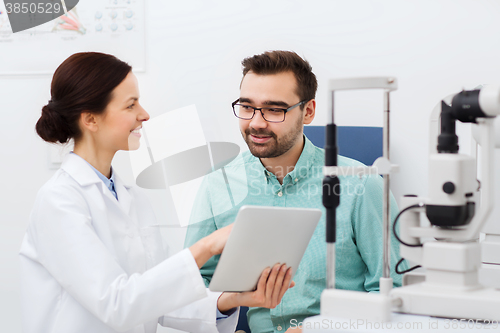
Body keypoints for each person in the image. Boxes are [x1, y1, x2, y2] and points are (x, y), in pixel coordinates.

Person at [19, 52, 295, 333]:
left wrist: (231, 300)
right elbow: (117, 304)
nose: (144, 114)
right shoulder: (59, 201)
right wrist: (208, 246)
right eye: (130, 105)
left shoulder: (132, 198)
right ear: (91, 119)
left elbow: (161, 298)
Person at [184, 50, 405, 333]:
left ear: (308, 111)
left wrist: (324, 329)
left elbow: (393, 293)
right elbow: (193, 285)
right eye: (247, 106)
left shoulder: (362, 185)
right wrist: (226, 307)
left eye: (275, 109)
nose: (256, 123)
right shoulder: (219, 184)